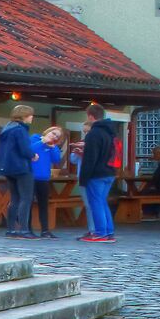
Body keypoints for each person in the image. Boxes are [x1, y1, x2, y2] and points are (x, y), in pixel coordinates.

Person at [76, 103, 121, 243]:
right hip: (110, 172)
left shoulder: (93, 134)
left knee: (96, 203)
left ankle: (100, 233)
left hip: (97, 174)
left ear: (90, 116)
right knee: (102, 202)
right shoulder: (111, 132)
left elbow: (90, 159)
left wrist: (83, 178)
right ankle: (108, 231)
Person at [0, 105, 35, 238]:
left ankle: (11, 230)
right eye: (30, 115)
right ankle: (24, 230)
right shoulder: (20, 130)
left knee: (14, 199)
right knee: (26, 198)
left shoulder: (6, 129)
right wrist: (33, 155)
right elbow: (24, 149)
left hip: (7, 167)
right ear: (24, 116)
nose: (32, 117)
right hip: (22, 167)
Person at [31, 127, 66, 239]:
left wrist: (53, 147)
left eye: (57, 136)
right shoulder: (35, 138)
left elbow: (56, 160)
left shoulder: (53, 146)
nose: (54, 136)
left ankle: (45, 230)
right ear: (48, 131)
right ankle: (27, 229)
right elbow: (29, 150)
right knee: (28, 203)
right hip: (30, 177)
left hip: (44, 178)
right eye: (53, 133)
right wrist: (43, 141)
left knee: (43, 205)